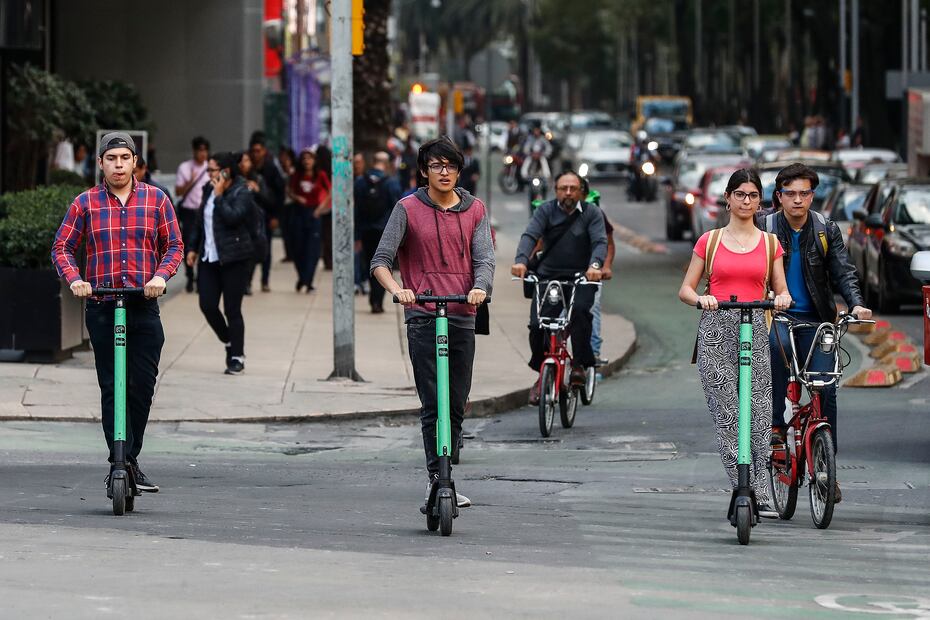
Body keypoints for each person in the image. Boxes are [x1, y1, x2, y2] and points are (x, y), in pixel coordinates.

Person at [51, 131, 182, 493]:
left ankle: (130, 458)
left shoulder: (156, 200)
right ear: (101, 163)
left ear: (135, 162)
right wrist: (76, 279)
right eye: (111, 159)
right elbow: (62, 247)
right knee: (112, 387)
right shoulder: (85, 203)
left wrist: (160, 276)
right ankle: (118, 463)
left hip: (143, 306)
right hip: (103, 307)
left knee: (141, 387)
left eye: (125, 158)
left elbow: (174, 245)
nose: (119, 165)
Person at [370, 136, 494, 509]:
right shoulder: (407, 208)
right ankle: (439, 479)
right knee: (432, 403)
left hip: (462, 313)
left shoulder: (475, 209)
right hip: (423, 315)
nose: (444, 172)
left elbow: (484, 259)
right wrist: (399, 290)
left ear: (459, 171)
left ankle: (447, 466)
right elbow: (380, 260)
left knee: (456, 402)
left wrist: (480, 287)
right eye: (437, 166)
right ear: (424, 171)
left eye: (450, 166)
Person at [678, 168, 792, 519]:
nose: (746, 201)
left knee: (758, 416)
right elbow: (685, 289)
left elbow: (782, 289)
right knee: (728, 416)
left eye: (753, 195)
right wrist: (702, 299)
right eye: (740, 194)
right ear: (727, 198)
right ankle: (745, 488)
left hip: (754, 327)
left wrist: (781, 298)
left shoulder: (770, 244)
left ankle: (760, 489)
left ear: (760, 202)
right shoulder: (709, 241)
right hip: (717, 330)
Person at [764, 163, 871, 503]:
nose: (798, 200)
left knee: (826, 388)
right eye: (791, 193)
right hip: (777, 317)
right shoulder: (765, 227)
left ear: (813, 195)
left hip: (817, 320)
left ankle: (826, 464)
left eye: (805, 193)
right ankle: (776, 429)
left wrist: (856, 304)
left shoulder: (826, 229)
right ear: (779, 196)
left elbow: (843, 272)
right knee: (777, 349)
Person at [511, 170, 607, 403]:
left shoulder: (592, 213)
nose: (568, 193)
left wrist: (595, 265)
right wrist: (521, 261)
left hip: (581, 277)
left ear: (581, 192)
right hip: (548, 277)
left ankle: (579, 365)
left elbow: (600, 242)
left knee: (581, 314)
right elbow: (530, 235)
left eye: (573, 188)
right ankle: (543, 372)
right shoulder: (545, 211)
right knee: (538, 326)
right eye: (563, 188)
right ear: (556, 191)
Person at [185, 152, 255, 375]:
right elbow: (199, 222)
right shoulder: (208, 189)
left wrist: (220, 196)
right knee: (207, 305)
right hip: (209, 258)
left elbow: (234, 217)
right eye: (208, 170)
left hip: (234, 258)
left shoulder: (242, 191)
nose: (209, 174)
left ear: (226, 171)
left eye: (212, 170)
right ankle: (228, 340)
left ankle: (237, 356)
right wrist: (192, 248)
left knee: (232, 310)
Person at [355, 151, 402, 313]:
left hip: (365, 230)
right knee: (384, 264)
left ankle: (372, 298)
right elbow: (398, 208)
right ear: (387, 163)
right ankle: (377, 300)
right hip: (384, 231)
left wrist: (357, 234)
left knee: (369, 262)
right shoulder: (391, 183)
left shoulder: (360, 182)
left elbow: (356, 209)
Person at [288, 148, 331, 291]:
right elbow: (289, 190)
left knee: (313, 249)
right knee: (298, 247)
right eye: (304, 159)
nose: (307, 161)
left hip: (314, 213)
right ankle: (302, 277)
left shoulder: (320, 175)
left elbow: (330, 191)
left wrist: (320, 208)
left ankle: (308, 280)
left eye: (310, 158)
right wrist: (297, 198)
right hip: (299, 213)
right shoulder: (297, 175)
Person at [175, 136, 211, 292]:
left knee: (205, 243)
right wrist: (191, 180)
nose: (203, 153)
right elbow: (178, 191)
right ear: (194, 151)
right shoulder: (185, 167)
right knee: (189, 243)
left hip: (205, 210)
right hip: (189, 211)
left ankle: (202, 278)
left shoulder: (211, 167)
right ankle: (190, 276)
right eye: (200, 150)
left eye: (205, 150)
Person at [238, 150, 275, 293]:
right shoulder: (232, 181)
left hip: (255, 222)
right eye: (241, 161)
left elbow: (268, 200)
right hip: (238, 220)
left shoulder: (258, 179)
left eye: (246, 161)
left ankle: (249, 281)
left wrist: (257, 190)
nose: (243, 164)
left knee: (254, 252)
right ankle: (243, 282)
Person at [249, 135, 285, 280]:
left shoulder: (271, 168)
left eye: (258, 151)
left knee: (266, 248)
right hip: (250, 215)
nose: (256, 154)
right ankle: (248, 281)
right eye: (253, 151)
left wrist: (276, 216)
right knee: (250, 248)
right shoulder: (248, 167)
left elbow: (279, 193)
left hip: (267, 214)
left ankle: (265, 279)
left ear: (264, 151)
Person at [278, 146, 298, 263]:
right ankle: (288, 253)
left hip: (293, 204)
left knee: (292, 229)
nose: (284, 160)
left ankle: (294, 253)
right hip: (283, 204)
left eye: (286, 158)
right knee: (285, 229)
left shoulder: (294, 172)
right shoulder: (279, 171)